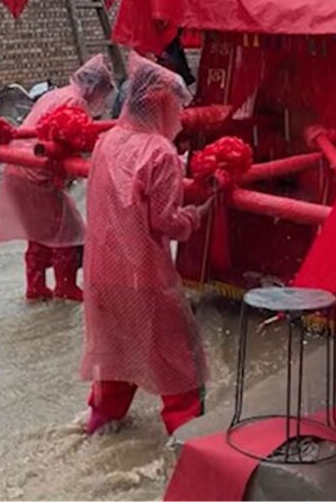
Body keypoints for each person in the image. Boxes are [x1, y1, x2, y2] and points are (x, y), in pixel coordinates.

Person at [80, 54, 215, 437]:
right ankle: (186, 449)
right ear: (158, 102)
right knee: (181, 368)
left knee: (116, 357)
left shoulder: (107, 141)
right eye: (176, 104)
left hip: (101, 274)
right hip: (144, 277)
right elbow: (166, 222)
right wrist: (199, 212)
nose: (180, 113)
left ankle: (102, 428)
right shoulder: (160, 153)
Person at [0, 55, 115, 302]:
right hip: (36, 171)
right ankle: (65, 285)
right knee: (67, 231)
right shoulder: (75, 102)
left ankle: (36, 286)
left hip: (19, 165)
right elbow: (72, 140)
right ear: (96, 88)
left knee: (39, 233)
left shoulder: (57, 93)